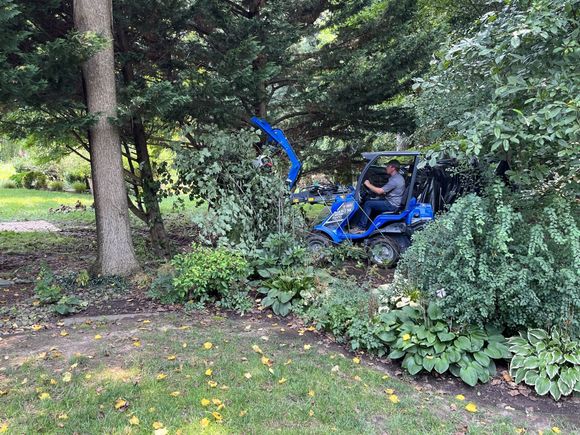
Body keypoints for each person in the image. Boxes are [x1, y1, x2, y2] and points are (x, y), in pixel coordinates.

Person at [351, 159, 405, 232]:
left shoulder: (395, 180)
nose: (386, 168)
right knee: (368, 200)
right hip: (392, 201)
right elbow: (386, 190)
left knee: (368, 204)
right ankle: (358, 223)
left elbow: (380, 191)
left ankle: (361, 228)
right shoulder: (397, 177)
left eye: (388, 166)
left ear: (393, 168)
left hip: (391, 204)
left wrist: (368, 184)